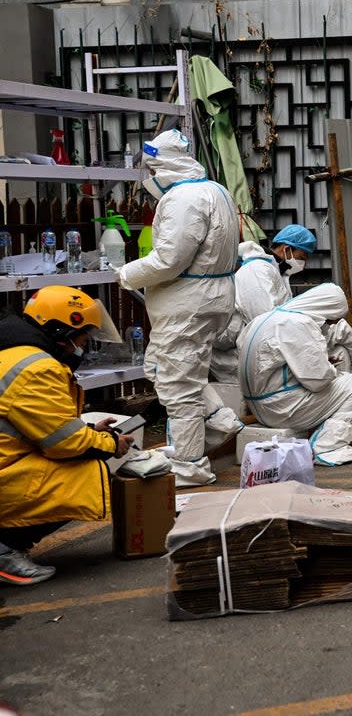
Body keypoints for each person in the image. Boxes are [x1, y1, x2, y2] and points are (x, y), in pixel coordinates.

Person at [117, 129, 241, 487]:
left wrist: (126, 274)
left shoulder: (183, 198)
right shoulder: (214, 190)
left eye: (151, 168)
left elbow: (170, 258)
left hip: (188, 301)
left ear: (161, 164)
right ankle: (219, 418)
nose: (149, 177)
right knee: (159, 368)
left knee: (178, 386)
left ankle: (190, 465)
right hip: (208, 296)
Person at [0, 287, 133, 586]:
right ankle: (4, 550)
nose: (81, 348)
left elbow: (38, 427)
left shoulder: (13, 353)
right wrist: (111, 443)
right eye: (82, 339)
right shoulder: (36, 368)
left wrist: (89, 432)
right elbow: (63, 444)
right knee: (89, 474)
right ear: (61, 331)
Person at [238, 283, 352, 466]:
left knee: (342, 371)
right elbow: (317, 382)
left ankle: (344, 430)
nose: (330, 325)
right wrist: (329, 368)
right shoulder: (298, 324)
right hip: (282, 409)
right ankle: (329, 446)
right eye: (330, 320)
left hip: (261, 406)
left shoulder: (269, 318)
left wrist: (323, 363)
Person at [209, 224, 317, 383]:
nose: (303, 263)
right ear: (287, 249)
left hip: (253, 349)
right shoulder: (257, 270)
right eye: (302, 257)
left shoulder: (275, 272)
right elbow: (265, 319)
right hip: (236, 354)